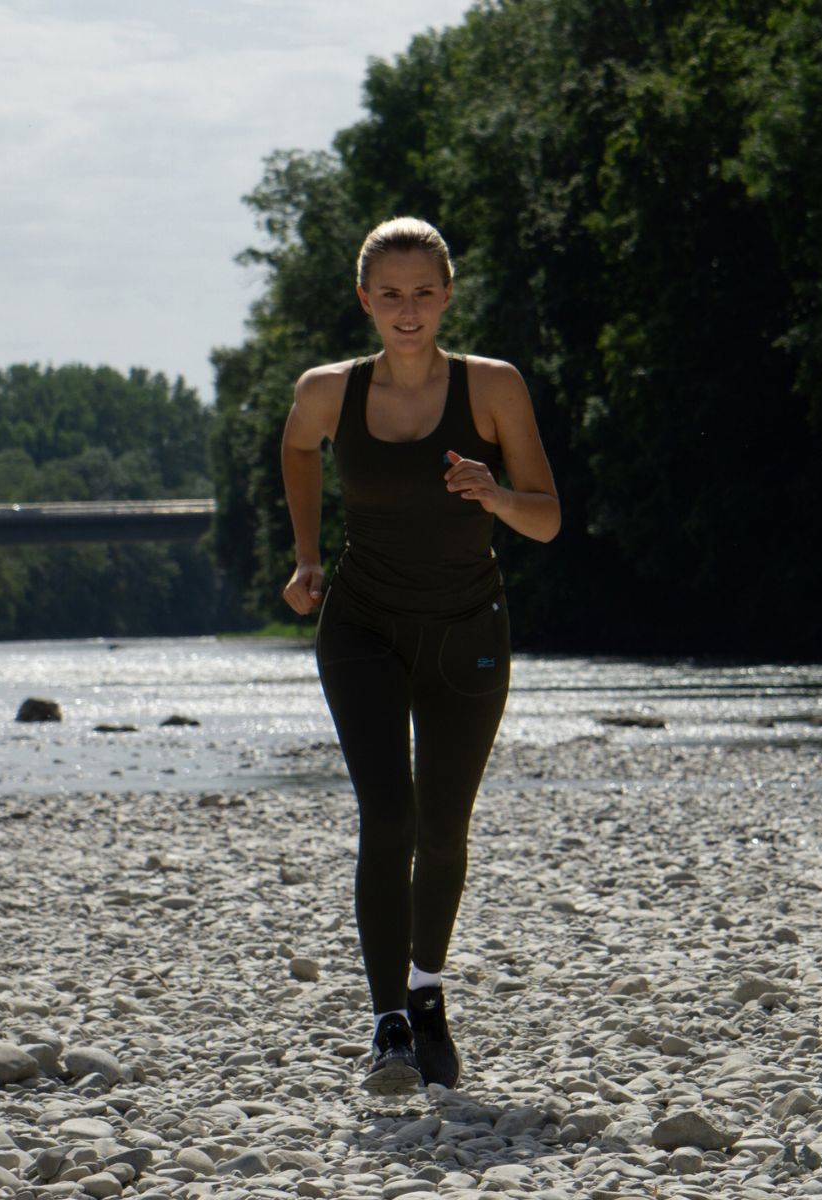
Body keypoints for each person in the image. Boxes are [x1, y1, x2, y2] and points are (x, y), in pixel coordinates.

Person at [281, 217, 560, 1094]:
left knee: (444, 830)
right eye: (390, 295)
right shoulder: (329, 391)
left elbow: (546, 518)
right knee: (388, 818)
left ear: (448, 296)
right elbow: (295, 446)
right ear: (365, 299)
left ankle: (429, 993)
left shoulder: (493, 388)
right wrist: (306, 554)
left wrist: (494, 492)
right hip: (363, 627)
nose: (408, 310)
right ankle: (389, 1024)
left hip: (467, 630)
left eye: (424, 293)